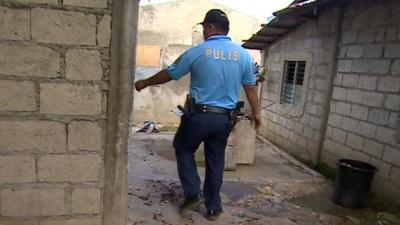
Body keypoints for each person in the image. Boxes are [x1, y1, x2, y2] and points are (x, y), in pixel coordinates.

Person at [135, 9, 260, 221]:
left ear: (210, 27)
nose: (203, 31)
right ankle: (213, 207)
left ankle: (193, 194)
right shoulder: (243, 56)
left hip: (199, 117)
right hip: (225, 120)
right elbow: (250, 88)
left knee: (183, 147)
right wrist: (257, 114)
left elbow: (169, 74)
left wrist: (145, 82)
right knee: (216, 160)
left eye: (204, 27)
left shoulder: (198, 51)